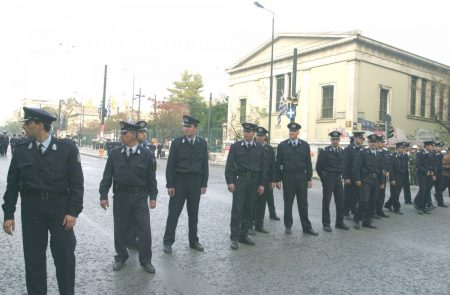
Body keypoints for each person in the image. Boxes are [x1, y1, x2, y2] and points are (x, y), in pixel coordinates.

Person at [2, 107, 84, 294]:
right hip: (32, 210)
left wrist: (73, 212)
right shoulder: (21, 150)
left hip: (60, 210)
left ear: (40, 125)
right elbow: (12, 185)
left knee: (64, 257)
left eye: (28, 122)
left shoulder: (67, 150)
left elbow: (77, 184)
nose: (24, 126)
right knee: (33, 259)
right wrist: (8, 214)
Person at [99, 121, 158, 273]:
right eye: (121, 133)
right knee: (120, 228)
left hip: (139, 197)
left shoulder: (147, 155)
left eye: (125, 133)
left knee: (144, 229)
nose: (122, 136)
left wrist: (153, 196)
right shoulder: (114, 154)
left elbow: (152, 178)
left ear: (134, 134)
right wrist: (103, 195)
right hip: (121, 196)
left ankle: (146, 261)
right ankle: (121, 256)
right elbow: (107, 177)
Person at [163, 115, 208, 254]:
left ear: (195, 128)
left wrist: (203, 183)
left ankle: (193, 241)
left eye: (189, 126)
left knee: (193, 214)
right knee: (174, 213)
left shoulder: (202, 143)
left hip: (195, 183)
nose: (186, 129)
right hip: (179, 182)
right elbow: (170, 165)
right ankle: (168, 242)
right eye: (184, 126)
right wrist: (170, 184)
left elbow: (204, 165)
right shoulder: (177, 143)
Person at [225, 122, 265, 250]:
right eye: (245, 132)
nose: (246, 134)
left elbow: (263, 168)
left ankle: (244, 235)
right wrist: (230, 182)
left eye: (249, 132)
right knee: (237, 209)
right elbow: (229, 165)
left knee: (249, 209)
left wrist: (262, 184)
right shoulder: (236, 146)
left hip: (254, 181)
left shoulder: (259, 147)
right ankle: (234, 238)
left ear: (253, 133)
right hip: (240, 180)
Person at [276, 122, 318, 236]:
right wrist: (278, 179)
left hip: (301, 177)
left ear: (298, 132)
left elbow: (308, 163)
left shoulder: (305, 145)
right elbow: (278, 164)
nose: (291, 133)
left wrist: (309, 178)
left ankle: (306, 227)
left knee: (303, 203)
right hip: (288, 177)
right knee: (288, 203)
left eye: (293, 131)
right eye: (290, 131)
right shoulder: (282, 145)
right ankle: (288, 226)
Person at [316, 131, 349, 232]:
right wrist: (323, 178)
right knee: (326, 201)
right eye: (333, 139)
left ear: (339, 140)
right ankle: (326, 223)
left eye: (336, 139)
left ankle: (339, 222)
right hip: (328, 178)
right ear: (330, 140)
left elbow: (344, 166)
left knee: (340, 201)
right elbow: (318, 167)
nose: (335, 141)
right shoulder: (325, 151)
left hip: (338, 178)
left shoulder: (341, 151)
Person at [352, 134, 383, 230]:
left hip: (376, 180)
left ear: (377, 143)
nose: (373, 144)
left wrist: (382, 182)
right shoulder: (363, 152)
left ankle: (367, 221)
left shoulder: (379, 153)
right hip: (365, 180)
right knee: (364, 201)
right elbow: (356, 167)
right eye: (371, 142)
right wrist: (357, 179)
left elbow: (381, 169)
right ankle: (356, 219)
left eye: (374, 142)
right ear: (368, 142)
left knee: (373, 202)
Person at [251, 126, 276, 234]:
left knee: (262, 203)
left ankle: (259, 225)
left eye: (261, 136)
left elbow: (273, 166)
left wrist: (273, 180)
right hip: (254, 178)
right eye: (258, 135)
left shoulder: (270, 149)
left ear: (265, 137)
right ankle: (250, 224)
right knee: (251, 202)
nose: (259, 137)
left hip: (265, 179)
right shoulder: (252, 147)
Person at [343, 132, 365, 219]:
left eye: (362, 138)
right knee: (348, 195)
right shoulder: (348, 149)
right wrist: (346, 177)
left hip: (359, 176)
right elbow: (345, 164)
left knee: (357, 195)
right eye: (360, 138)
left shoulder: (362, 149)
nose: (361, 140)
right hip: (350, 176)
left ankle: (354, 210)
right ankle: (345, 212)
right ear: (355, 138)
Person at [384, 142, 408, 214]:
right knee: (395, 193)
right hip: (395, 177)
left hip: (401, 177)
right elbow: (391, 169)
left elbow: (404, 167)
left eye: (404, 148)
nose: (403, 150)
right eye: (401, 148)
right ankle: (397, 208)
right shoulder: (392, 156)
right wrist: (392, 179)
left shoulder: (403, 156)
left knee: (396, 193)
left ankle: (388, 204)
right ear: (397, 149)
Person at [413, 140, 436, 215]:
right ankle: (419, 207)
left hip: (430, 175)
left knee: (426, 191)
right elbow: (418, 165)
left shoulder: (432, 154)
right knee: (423, 190)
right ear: (426, 146)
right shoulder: (419, 154)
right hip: (422, 175)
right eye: (431, 145)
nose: (432, 147)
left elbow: (433, 165)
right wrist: (426, 171)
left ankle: (423, 206)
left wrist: (433, 173)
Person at [373, 136, 390, 218]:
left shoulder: (386, 152)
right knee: (375, 195)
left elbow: (388, 163)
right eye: (381, 142)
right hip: (376, 177)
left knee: (382, 194)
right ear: (377, 143)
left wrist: (387, 171)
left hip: (383, 176)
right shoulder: (375, 152)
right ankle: (373, 211)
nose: (383, 144)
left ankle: (380, 210)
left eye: (383, 142)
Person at [433, 141, 445, 206]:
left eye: (441, 147)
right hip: (434, 174)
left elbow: (441, 164)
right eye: (439, 147)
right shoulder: (433, 154)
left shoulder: (440, 154)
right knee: (427, 189)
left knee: (439, 189)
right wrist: (434, 174)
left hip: (440, 174)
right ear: (435, 147)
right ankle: (427, 203)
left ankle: (440, 202)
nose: (440, 148)